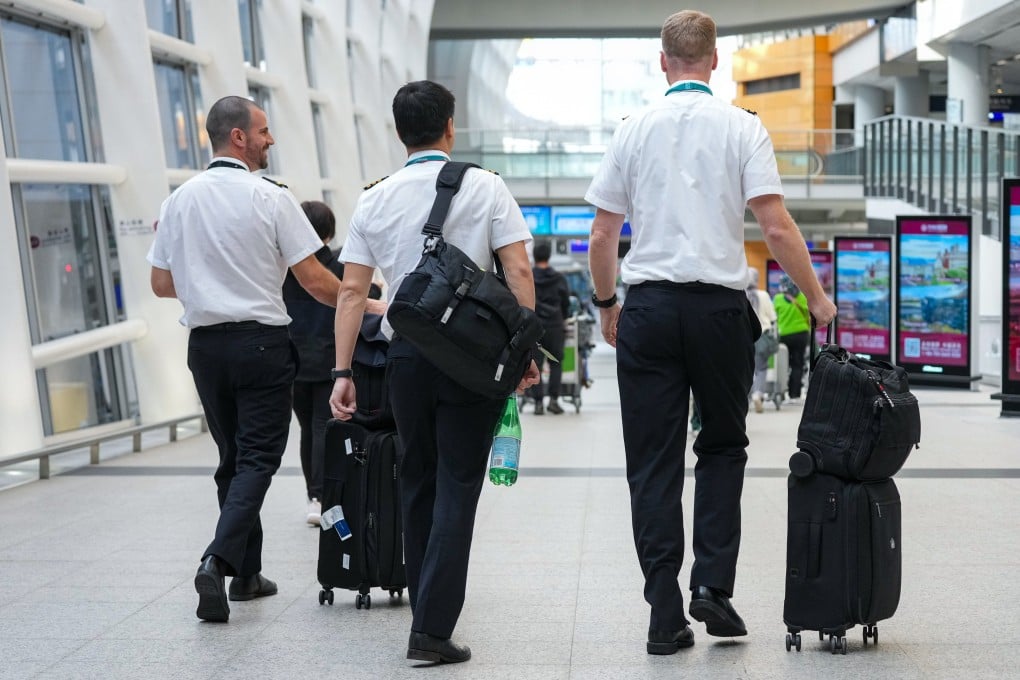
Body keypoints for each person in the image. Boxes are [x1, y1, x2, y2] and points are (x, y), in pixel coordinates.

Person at [584, 11, 836, 655]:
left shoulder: (631, 130)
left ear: (663, 62)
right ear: (715, 62)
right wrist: (816, 298)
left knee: (653, 461)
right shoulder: (743, 127)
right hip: (723, 312)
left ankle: (664, 610)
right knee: (723, 447)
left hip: (649, 309)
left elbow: (603, 235)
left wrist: (608, 303)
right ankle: (713, 589)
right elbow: (775, 227)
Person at [328, 80, 538, 664]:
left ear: (399, 132)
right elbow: (518, 272)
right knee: (457, 484)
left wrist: (342, 370)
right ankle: (432, 629)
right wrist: (521, 353)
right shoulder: (486, 186)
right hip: (471, 361)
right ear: (451, 125)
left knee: (415, 479)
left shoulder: (376, 197)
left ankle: (427, 613)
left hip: (405, 359)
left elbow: (352, 291)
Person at [148, 96, 341, 623]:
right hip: (260, 345)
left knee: (232, 457)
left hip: (206, 348)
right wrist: (367, 302)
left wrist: (209, 282)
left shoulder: (178, 201)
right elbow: (317, 282)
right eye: (263, 131)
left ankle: (247, 575)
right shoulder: (271, 198)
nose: (270, 139)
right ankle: (216, 560)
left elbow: (162, 284)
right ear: (238, 137)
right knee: (258, 458)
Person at [283, 200, 385, 526]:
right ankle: (323, 497)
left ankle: (313, 495)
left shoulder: (286, 269)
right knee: (323, 427)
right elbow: (367, 291)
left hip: (294, 360)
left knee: (306, 429)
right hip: (330, 359)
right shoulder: (339, 265)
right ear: (329, 231)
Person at [528, 240, 571, 415]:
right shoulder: (559, 278)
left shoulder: (529, 277)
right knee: (555, 362)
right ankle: (553, 401)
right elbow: (566, 303)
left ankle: (538, 403)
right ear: (549, 255)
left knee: (535, 363)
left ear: (535, 255)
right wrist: (564, 318)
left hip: (534, 325)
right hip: (554, 325)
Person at [773, 275, 811, 402]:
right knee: (797, 363)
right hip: (801, 334)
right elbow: (809, 314)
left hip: (784, 335)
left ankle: (782, 391)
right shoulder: (802, 297)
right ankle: (795, 395)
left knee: (784, 363)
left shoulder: (778, 299)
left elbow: (774, 317)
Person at [747, 268, 778, 412]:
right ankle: (758, 394)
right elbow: (772, 318)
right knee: (761, 368)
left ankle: (746, 395)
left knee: (746, 368)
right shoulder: (763, 295)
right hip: (761, 336)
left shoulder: (741, 294)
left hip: (743, 338)